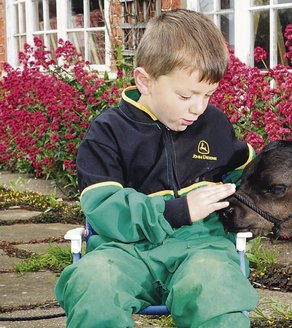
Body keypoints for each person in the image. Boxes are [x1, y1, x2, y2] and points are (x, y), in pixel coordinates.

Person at [54, 9, 258, 328]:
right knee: (93, 283)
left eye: (208, 95)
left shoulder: (214, 125)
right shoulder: (107, 133)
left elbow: (249, 178)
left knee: (217, 285)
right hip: (124, 252)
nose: (198, 107)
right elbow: (103, 209)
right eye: (185, 95)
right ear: (145, 81)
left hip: (200, 249)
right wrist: (174, 211)